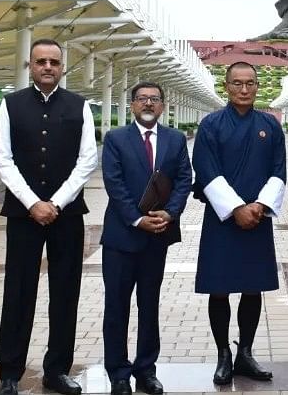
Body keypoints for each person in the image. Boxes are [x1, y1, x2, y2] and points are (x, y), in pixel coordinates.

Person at [0, 39, 98, 395]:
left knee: (65, 292)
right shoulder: (10, 104)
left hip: (67, 215)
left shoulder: (80, 106)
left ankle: (57, 370)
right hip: (23, 215)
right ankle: (10, 372)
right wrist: (32, 203)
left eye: (54, 61)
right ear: (30, 66)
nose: (48, 67)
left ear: (62, 66)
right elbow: (3, 160)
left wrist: (55, 201)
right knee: (18, 290)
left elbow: (87, 160)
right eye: (41, 61)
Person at [193, 62, 288, 385]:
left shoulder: (270, 126)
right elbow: (205, 170)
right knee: (218, 289)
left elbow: (279, 171)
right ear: (227, 86)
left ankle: (245, 352)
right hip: (223, 219)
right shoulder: (211, 125)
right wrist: (236, 208)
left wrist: (259, 206)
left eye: (250, 83)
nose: (244, 89)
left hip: (257, 217)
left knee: (252, 286)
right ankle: (223, 354)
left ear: (257, 86)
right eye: (237, 83)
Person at [101, 81, 193, 395]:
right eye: (142, 99)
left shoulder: (176, 139)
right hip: (121, 238)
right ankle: (118, 374)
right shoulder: (115, 139)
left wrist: (170, 213)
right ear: (132, 105)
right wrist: (138, 219)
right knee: (116, 307)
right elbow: (113, 183)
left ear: (163, 105)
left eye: (154, 99)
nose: (148, 104)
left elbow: (184, 179)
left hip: (158, 236)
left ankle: (146, 370)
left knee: (149, 305)